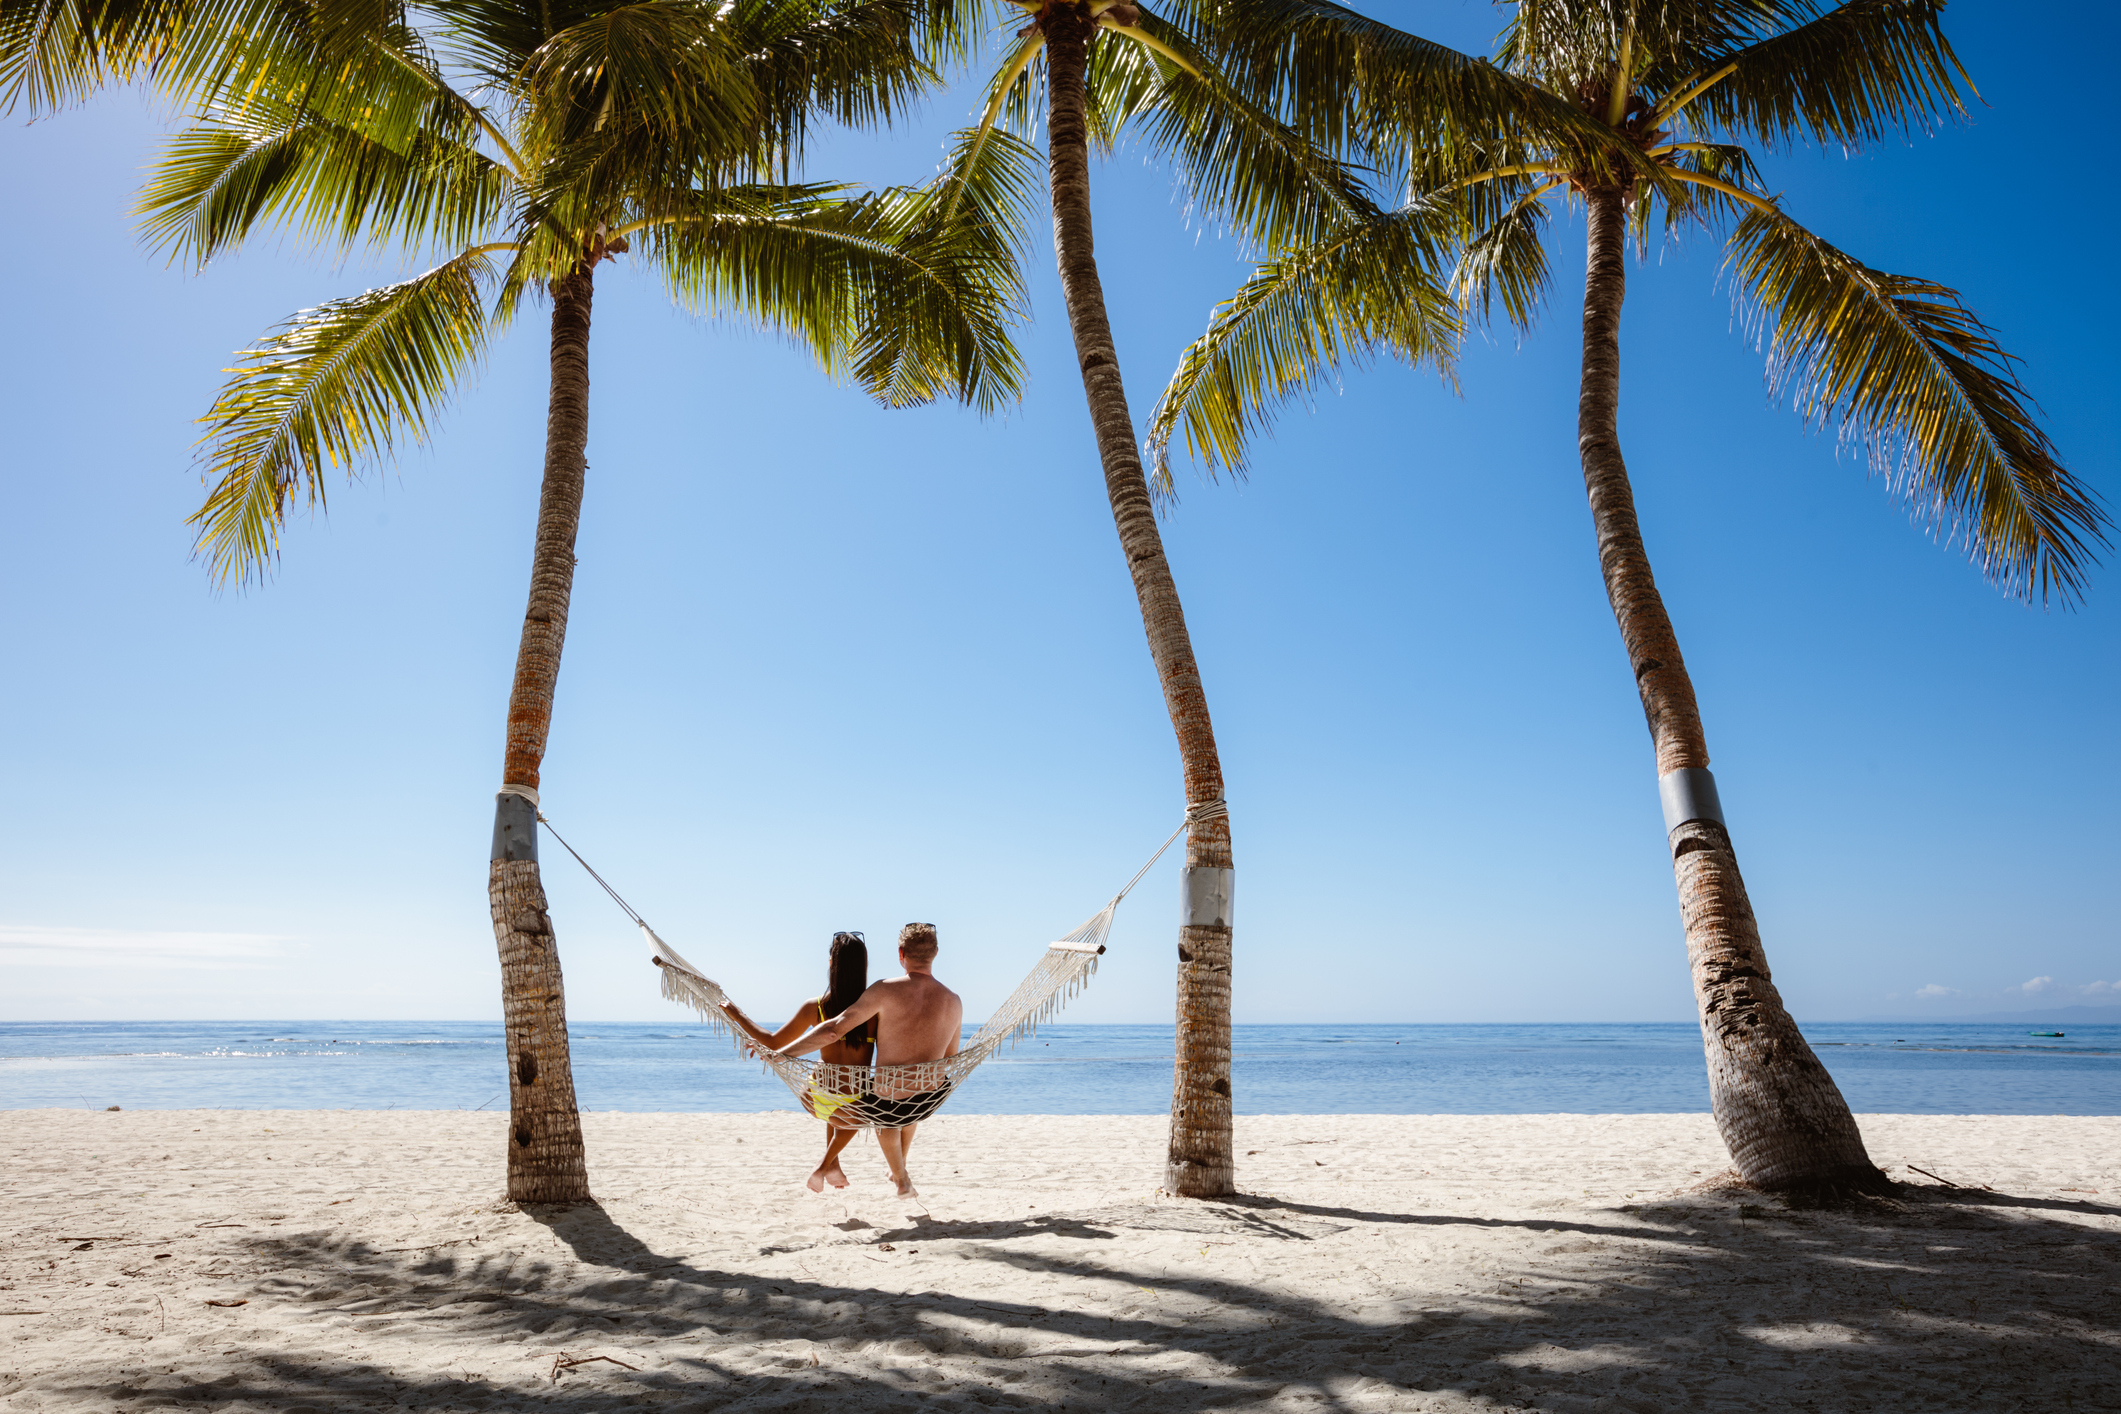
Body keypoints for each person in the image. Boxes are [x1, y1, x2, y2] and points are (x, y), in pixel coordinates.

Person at [770, 922, 962, 1198]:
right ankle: (896, 1168)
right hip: (930, 1099)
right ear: (936, 953)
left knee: (879, 1103)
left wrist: (783, 1054)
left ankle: (901, 1179)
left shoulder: (884, 990)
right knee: (907, 1100)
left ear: (900, 953)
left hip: (890, 1101)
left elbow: (835, 1029)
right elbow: (950, 1058)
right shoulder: (954, 1001)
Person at [723, 930, 877, 1193]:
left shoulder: (814, 1007)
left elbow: (772, 1041)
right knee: (862, 1111)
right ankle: (823, 1165)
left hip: (814, 1096)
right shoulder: (874, 1011)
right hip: (853, 1102)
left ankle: (834, 1165)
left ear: (832, 963)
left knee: (838, 1110)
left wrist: (738, 1015)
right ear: (863, 967)